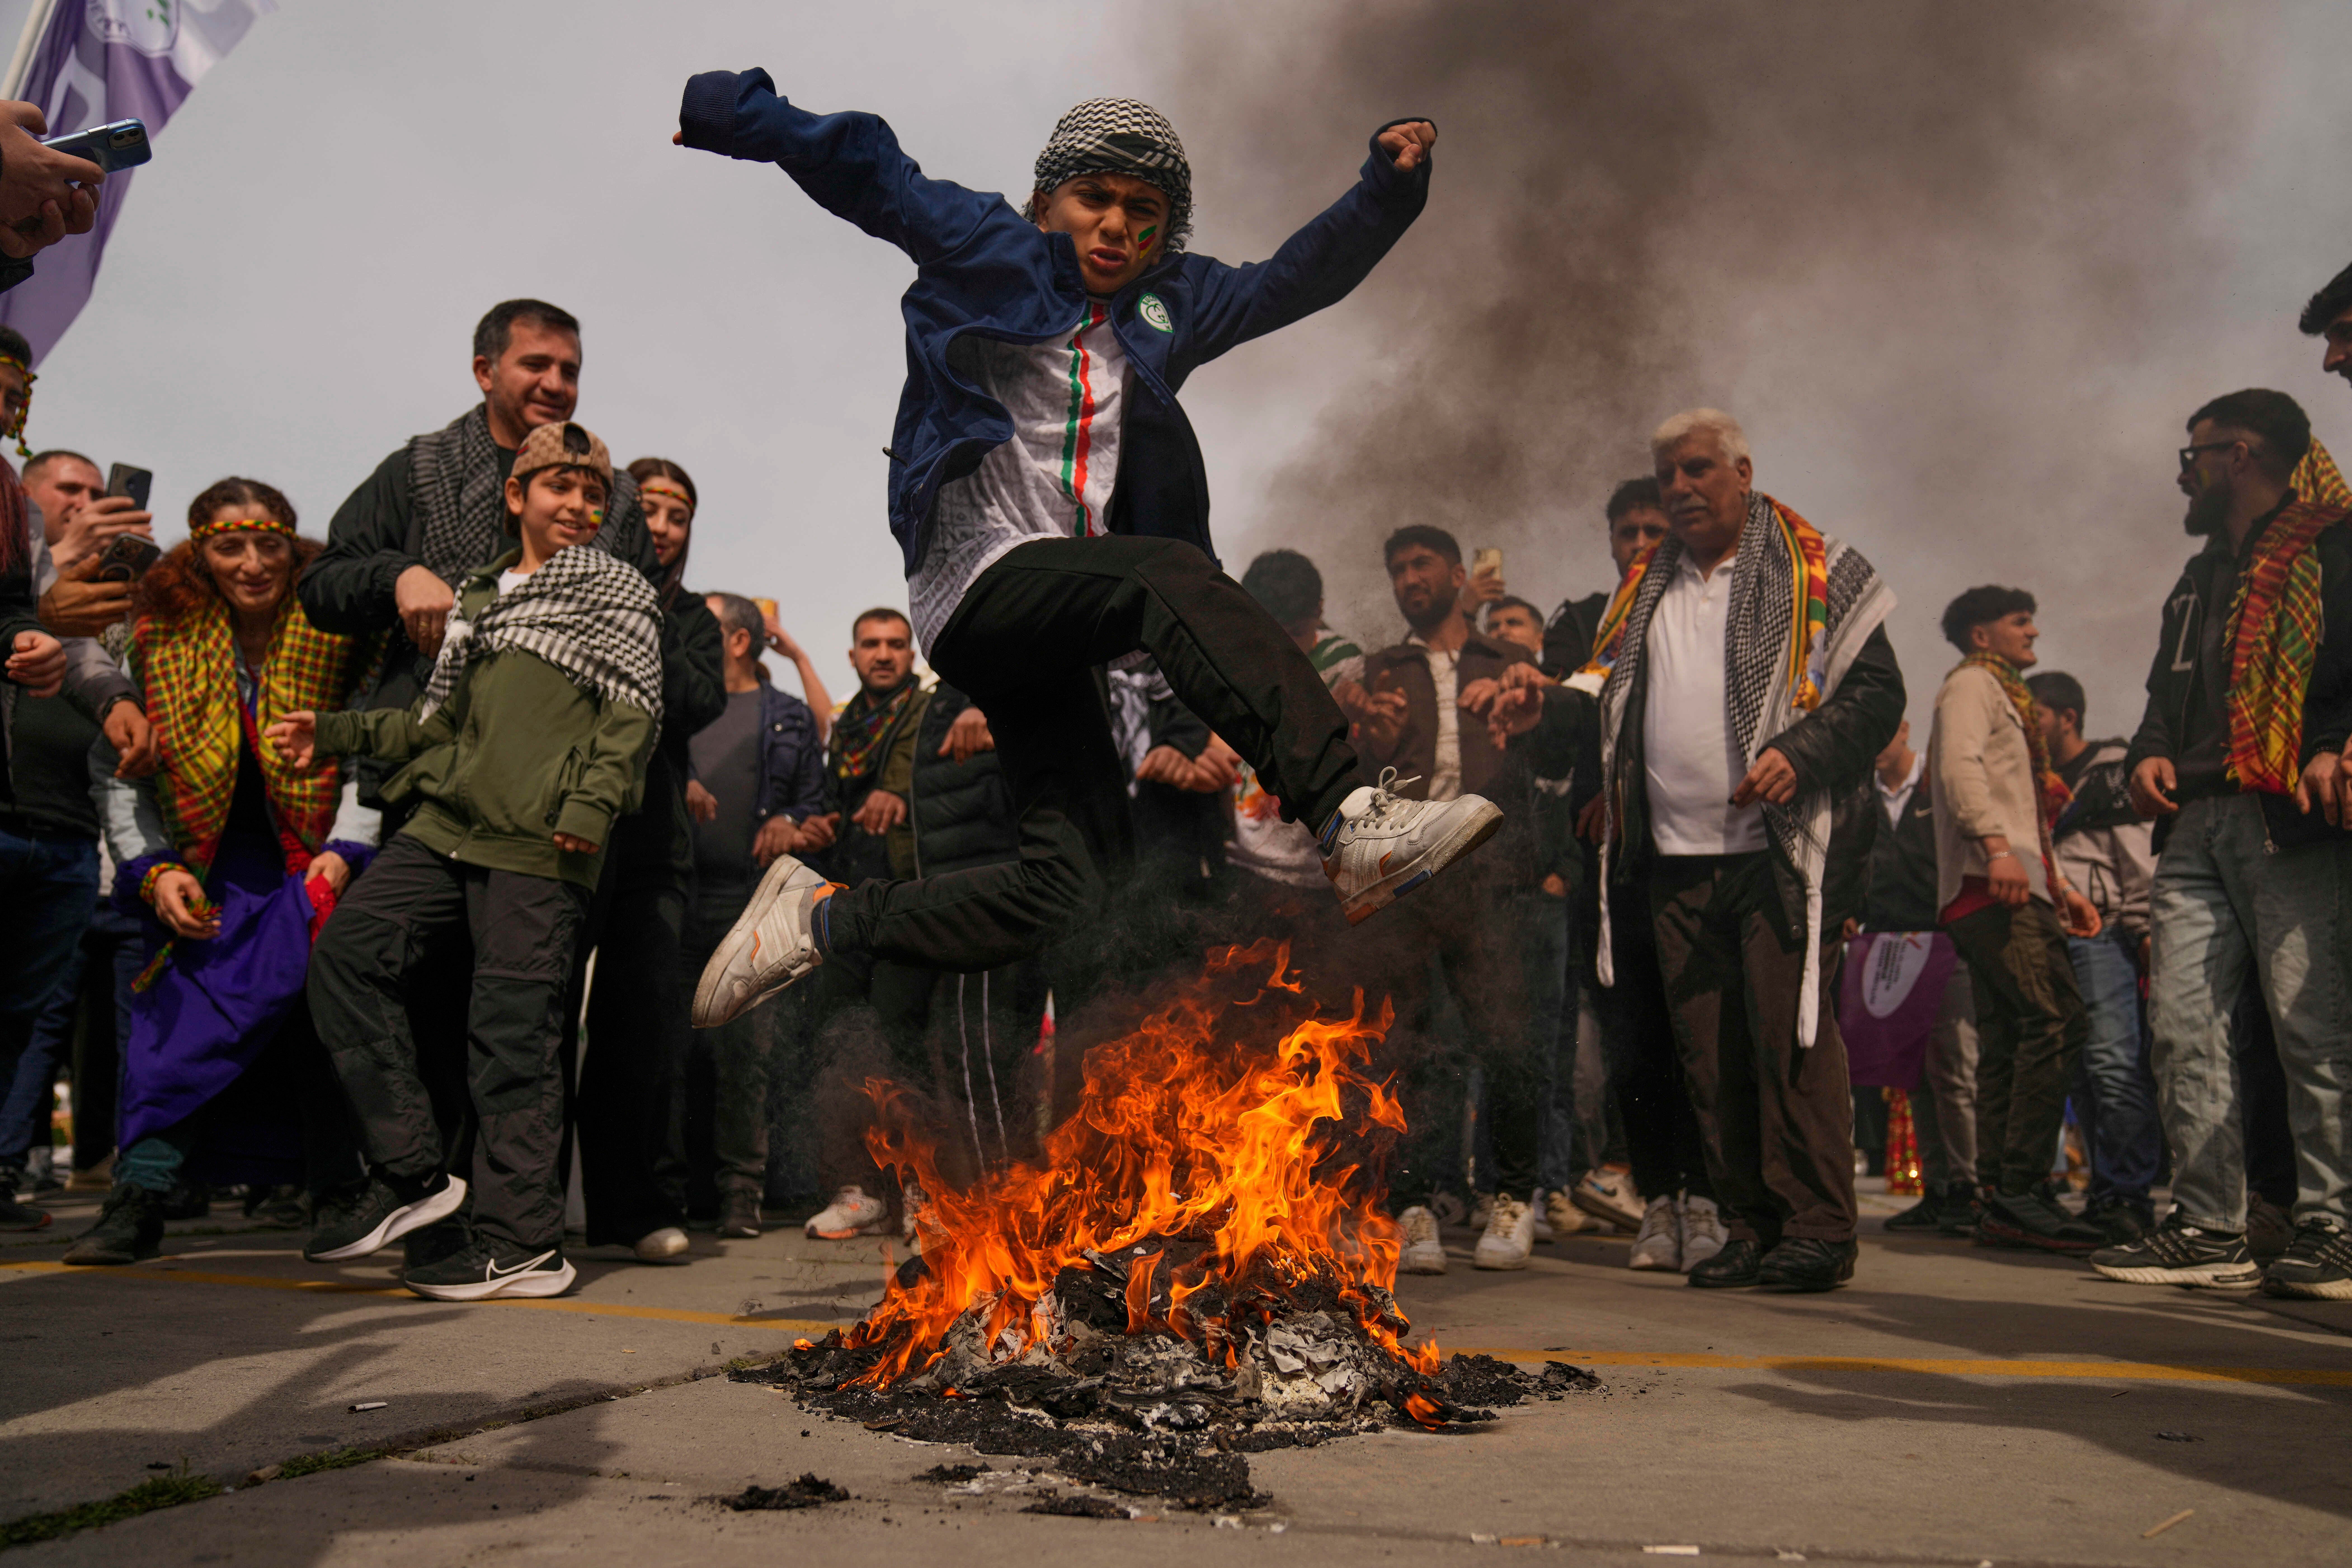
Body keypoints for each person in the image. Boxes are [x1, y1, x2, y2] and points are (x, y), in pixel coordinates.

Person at [675, 76, 1500, 1029]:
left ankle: (819, 920)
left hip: (1059, 622)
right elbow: (871, 169)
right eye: (1093, 202)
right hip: (979, 581)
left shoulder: (1172, 304)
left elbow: (1292, 279)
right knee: (1165, 572)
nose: (1114, 228)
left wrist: (1387, 190)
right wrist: (735, 117)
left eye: (1142, 214)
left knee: (1078, 884)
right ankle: (1351, 817)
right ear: (1046, 205)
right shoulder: (988, 245)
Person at [299, 299, 670, 1272]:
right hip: (442, 803)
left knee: (514, 1030)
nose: (554, 381)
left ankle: (510, 1239)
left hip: (541, 826)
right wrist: (398, 579)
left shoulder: (612, 525)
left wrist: (584, 811)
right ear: (485, 371)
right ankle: (419, 1185)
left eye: (570, 368)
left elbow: (629, 692)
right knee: (381, 982)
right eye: (536, 363)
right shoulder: (420, 479)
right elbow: (338, 594)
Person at [1554, 409, 1903, 1293]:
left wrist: (1799, 754)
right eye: (1667, 474)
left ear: (1743, 471)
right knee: (1709, 1053)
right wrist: (1538, 711)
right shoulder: (1644, 589)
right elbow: (1604, 701)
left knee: (1789, 1043)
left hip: (1775, 851)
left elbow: (1876, 695)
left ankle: (1819, 1227)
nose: (1679, 488)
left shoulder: (1820, 569)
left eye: (1698, 469)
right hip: (1672, 855)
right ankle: (1748, 1222)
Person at [58, 481, 377, 1264]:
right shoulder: (154, 634)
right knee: (174, 1032)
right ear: (199, 552)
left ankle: (337, 1196)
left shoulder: (341, 631)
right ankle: (140, 1199)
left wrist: (343, 854)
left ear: (295, 548)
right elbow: (118, 768)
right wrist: (154, 868)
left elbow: (371, 754)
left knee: (319, 1028)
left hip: (310, 863)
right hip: (201, 869)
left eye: (269, 542)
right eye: (229, 544)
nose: (252, 561)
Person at [2095, 389, 2352, 1298]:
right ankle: (2209, 1224)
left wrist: (2334, 739)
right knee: (2181, 1028)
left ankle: (2336, 1225)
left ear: (2238, 453)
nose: (2184, 472)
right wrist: (2151, 752)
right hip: (2195, 822)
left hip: (2284, 815)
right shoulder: (2200, 575)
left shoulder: (2333, 544)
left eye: (2193, 453)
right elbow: (2167, 696)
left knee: (2310, 1024)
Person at [1346, 526, 1545, 1272]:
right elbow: (1362, 784)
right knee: (1411, 1042)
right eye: (1396, 568)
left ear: (1460, 574)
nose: (1407, 577)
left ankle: (1516, 1196)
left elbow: (1549, 759)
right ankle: (1415, 1202)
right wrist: (1375, 740)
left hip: (1490, 870)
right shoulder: (1383, 669)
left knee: (1507, 1036)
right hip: (1407, 869)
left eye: (1421, 563)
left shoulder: (1512, 662)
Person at [571, 458, 724, 1263]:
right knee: (541, 1014)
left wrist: (643, 604)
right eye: (650, 509)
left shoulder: (693, 616)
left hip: (653, 845)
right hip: (564, 829)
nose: (663, 525)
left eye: (678, 515)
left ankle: (636, 1207)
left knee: (645, 1027)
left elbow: (698, 697)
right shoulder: (568, 582)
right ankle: (516, 1204)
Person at [0, 444, 156, 1219]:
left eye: (99, 492)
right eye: (69, 489)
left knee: (20, 1018)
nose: (87, 501)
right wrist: (56, 561)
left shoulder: (94, 594)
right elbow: (21, 615)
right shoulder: (25, 556)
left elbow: (85, 654)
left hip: (68, 834)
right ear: (27, 498)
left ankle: (1, 1169)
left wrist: (117, 697)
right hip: (11, 817)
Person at [1929, 589, 2104, 1255]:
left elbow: (2017, 800)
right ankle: (2020, 1190)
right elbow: (1958, 771)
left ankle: (2002, 1194)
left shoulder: (2003, 694)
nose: (2033, 630)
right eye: (2018, 621)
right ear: (1981, 635)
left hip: (2010, 880)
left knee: (2009, 1033)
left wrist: (2056, 888)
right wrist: (1997, 849)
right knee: (2057, 1017)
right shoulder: (1974, 685)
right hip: (1991, 883)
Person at [676, 591, 825, 1239]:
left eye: (704, 627)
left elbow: (816, 800)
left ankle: (741, 1196)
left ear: (739, 641)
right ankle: (679, 1195)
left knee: (746, 1054)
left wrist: (788, 820)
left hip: (752, 904)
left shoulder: (786, 716)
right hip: (676, 899)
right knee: (674, 1053)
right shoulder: (676, 710)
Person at [2026, 670, 2159, 1244]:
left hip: (2102, 931)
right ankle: (2104, 1195)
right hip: (2055, 936)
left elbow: (2136, 856)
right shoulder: (2039, 780)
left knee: (2112, 1062)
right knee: (2080, 1068)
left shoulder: (2109, 771)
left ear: (2065, 718)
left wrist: (2146, 927)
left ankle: (2127, 1197)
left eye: (2035, 717)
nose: (2027, 727)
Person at [1863, 720, 1981, 1238]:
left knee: (1954, 1068)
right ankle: (1937, 1189)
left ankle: (1970, 1188)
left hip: (1943, 939)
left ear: (1904, 729)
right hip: (1887, 944)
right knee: (1912, 1075)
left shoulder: (1937, 785)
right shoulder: (1860, 797)